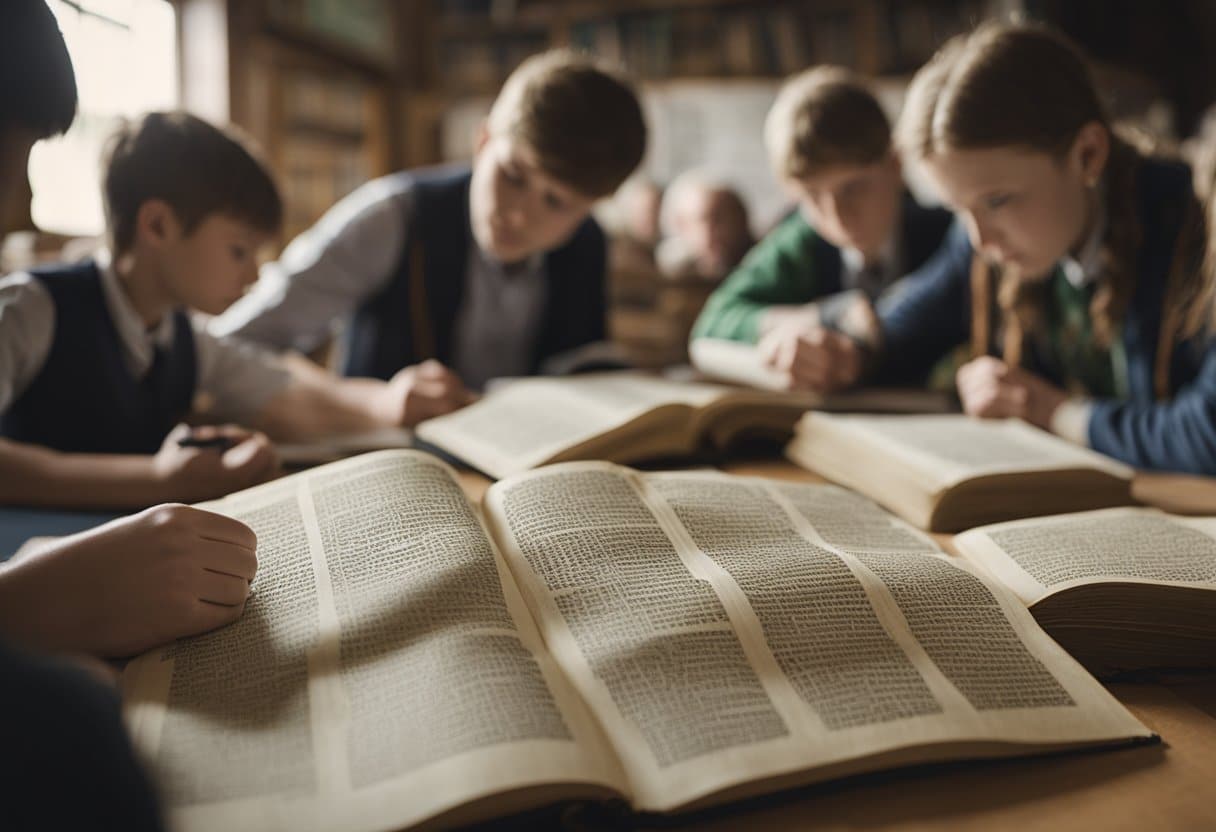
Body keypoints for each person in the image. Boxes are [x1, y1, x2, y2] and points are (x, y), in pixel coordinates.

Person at [800, 22, 1216, 473]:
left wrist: (1050, 411)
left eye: (998, 201)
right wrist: (842, 352)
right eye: (959, 209)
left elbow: (1207, 435)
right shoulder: (987, 235)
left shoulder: (1199, 224)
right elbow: (897, 330)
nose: (980, 239)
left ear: (1088, 155)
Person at [0, 111, 453, 511]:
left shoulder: (187, 338)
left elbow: (283, 387)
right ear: (158, 225)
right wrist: (156, 479)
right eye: (239, 251)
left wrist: (386, 400)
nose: (254, 274)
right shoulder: (31, 308)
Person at [212, 50, 648, 395]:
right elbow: (227, 347)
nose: (519, 212)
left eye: (556, 202)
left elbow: (575, 361)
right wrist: (363, 404)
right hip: (381, 474)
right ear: (483, 141)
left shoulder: (588, 242)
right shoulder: (393, 218)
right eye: (513, 176)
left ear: (591, 206)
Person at [690, 66, 953, 389]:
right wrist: (823, 316)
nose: (838, 215)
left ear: (895, 166)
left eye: (853, 188)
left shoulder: (950, 236)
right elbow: (713, 322)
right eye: (813, 197)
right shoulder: (800, 242)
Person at [655, 169, 754, 281]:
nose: (724, 229)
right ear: (681, 225)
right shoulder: (672, 273)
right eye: (708, 218)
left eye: (732, 216)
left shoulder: (756, 266)